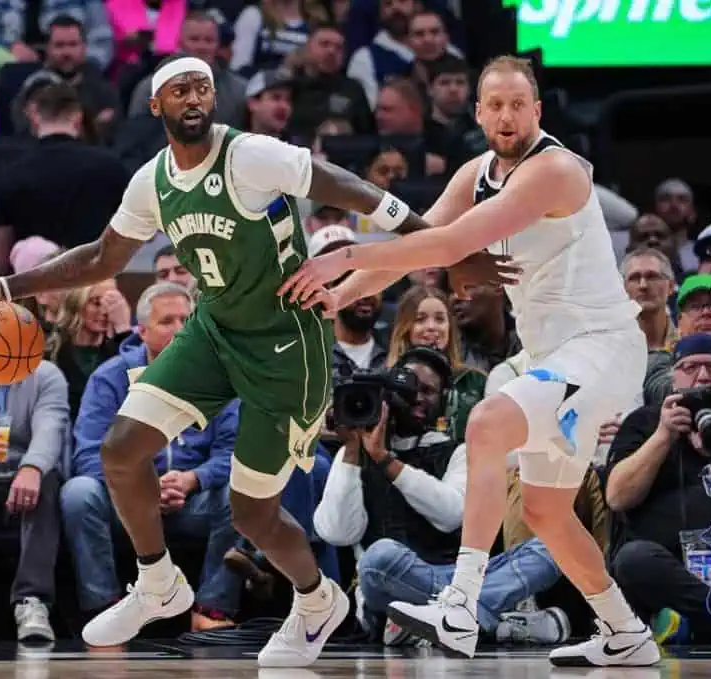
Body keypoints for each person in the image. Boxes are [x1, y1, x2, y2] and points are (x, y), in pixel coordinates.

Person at [0, 55, 507, 668]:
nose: (194, 97)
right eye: (180, 89)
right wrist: (14, 284)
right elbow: (102, 257)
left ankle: (316, 599)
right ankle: (157, 582)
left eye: (202, 87)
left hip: (287, 346)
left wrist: (429, 239)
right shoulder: (151, 182)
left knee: (250, 513)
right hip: (214, 330)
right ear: (156, 106)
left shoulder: (250, 154)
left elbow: (342, 184)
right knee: (120, 450)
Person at [280, 55, 659, 666]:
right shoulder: (475, 174)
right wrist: (338, 297)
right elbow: (414, 246)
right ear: (479, 114)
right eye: (496, 105)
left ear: (537, 110)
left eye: (519, 104)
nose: (508, 116)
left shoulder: (555, 169)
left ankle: (459, 605)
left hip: (602, 347)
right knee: (545, 511)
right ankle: (625, 632)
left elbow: (452, 244)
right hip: (554, 355)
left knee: (486, 422)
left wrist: (345, 255)